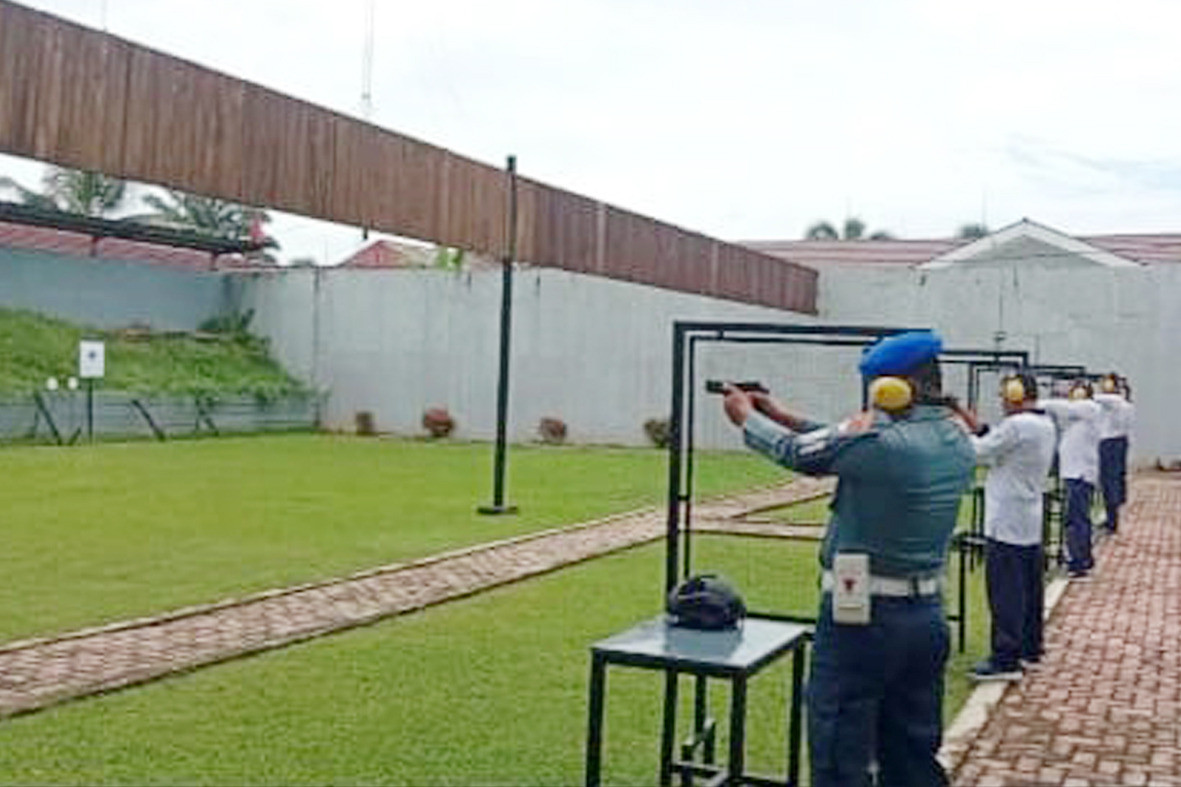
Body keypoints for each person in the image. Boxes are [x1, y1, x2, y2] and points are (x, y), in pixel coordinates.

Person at [720, 330, 974, 787]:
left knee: (839, 748)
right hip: (926, 616)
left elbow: (799, 453)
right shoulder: (954, 436)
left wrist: (747, 419)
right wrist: (781, 413)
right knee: (912, 754)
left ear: (892, 389)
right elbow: (842, 439)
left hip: (864, 620)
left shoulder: (882, 442)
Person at [955, 374, 1057, 681]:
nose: (1001, 400)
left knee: (1005, 592)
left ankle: (1005, 657)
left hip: (1006, 520)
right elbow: (993, 436)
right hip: (1027, 518)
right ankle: (1029, 647)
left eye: (1004, 395)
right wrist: (963, 414)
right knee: (1028, 589)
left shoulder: (1018, 426)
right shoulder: (1043, 423)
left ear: (1015, 395)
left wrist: (957, 429)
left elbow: (978, 451)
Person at [1041, 380, 1102, 578]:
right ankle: (1082, 557)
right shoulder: (1076, 419)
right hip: (1074, 473)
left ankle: (1079, 561)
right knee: (1075, 518)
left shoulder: (1090, 408)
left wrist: (1036, 403)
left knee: (1077, 519)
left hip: (1080, 474)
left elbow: (1062, 407)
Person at [1094, 373, 1135, 533]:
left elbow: (1095, 398)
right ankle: (1111, 518)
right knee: (1112, 480)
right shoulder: (1124, 403)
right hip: (1118, 443)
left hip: (1110, 443)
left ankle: (1112, 521)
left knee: (1109, 482)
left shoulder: (1116, 402)